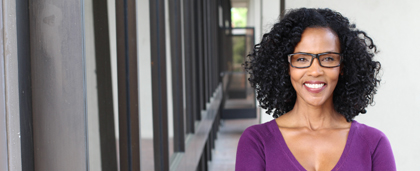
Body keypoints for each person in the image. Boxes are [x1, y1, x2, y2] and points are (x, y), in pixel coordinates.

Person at [236, 8, 396, 171]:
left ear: (342, 66)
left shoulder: (374, 144)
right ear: (286, 67)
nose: (315, 71)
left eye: (328, 58)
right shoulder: (257, 141)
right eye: (302, 59)